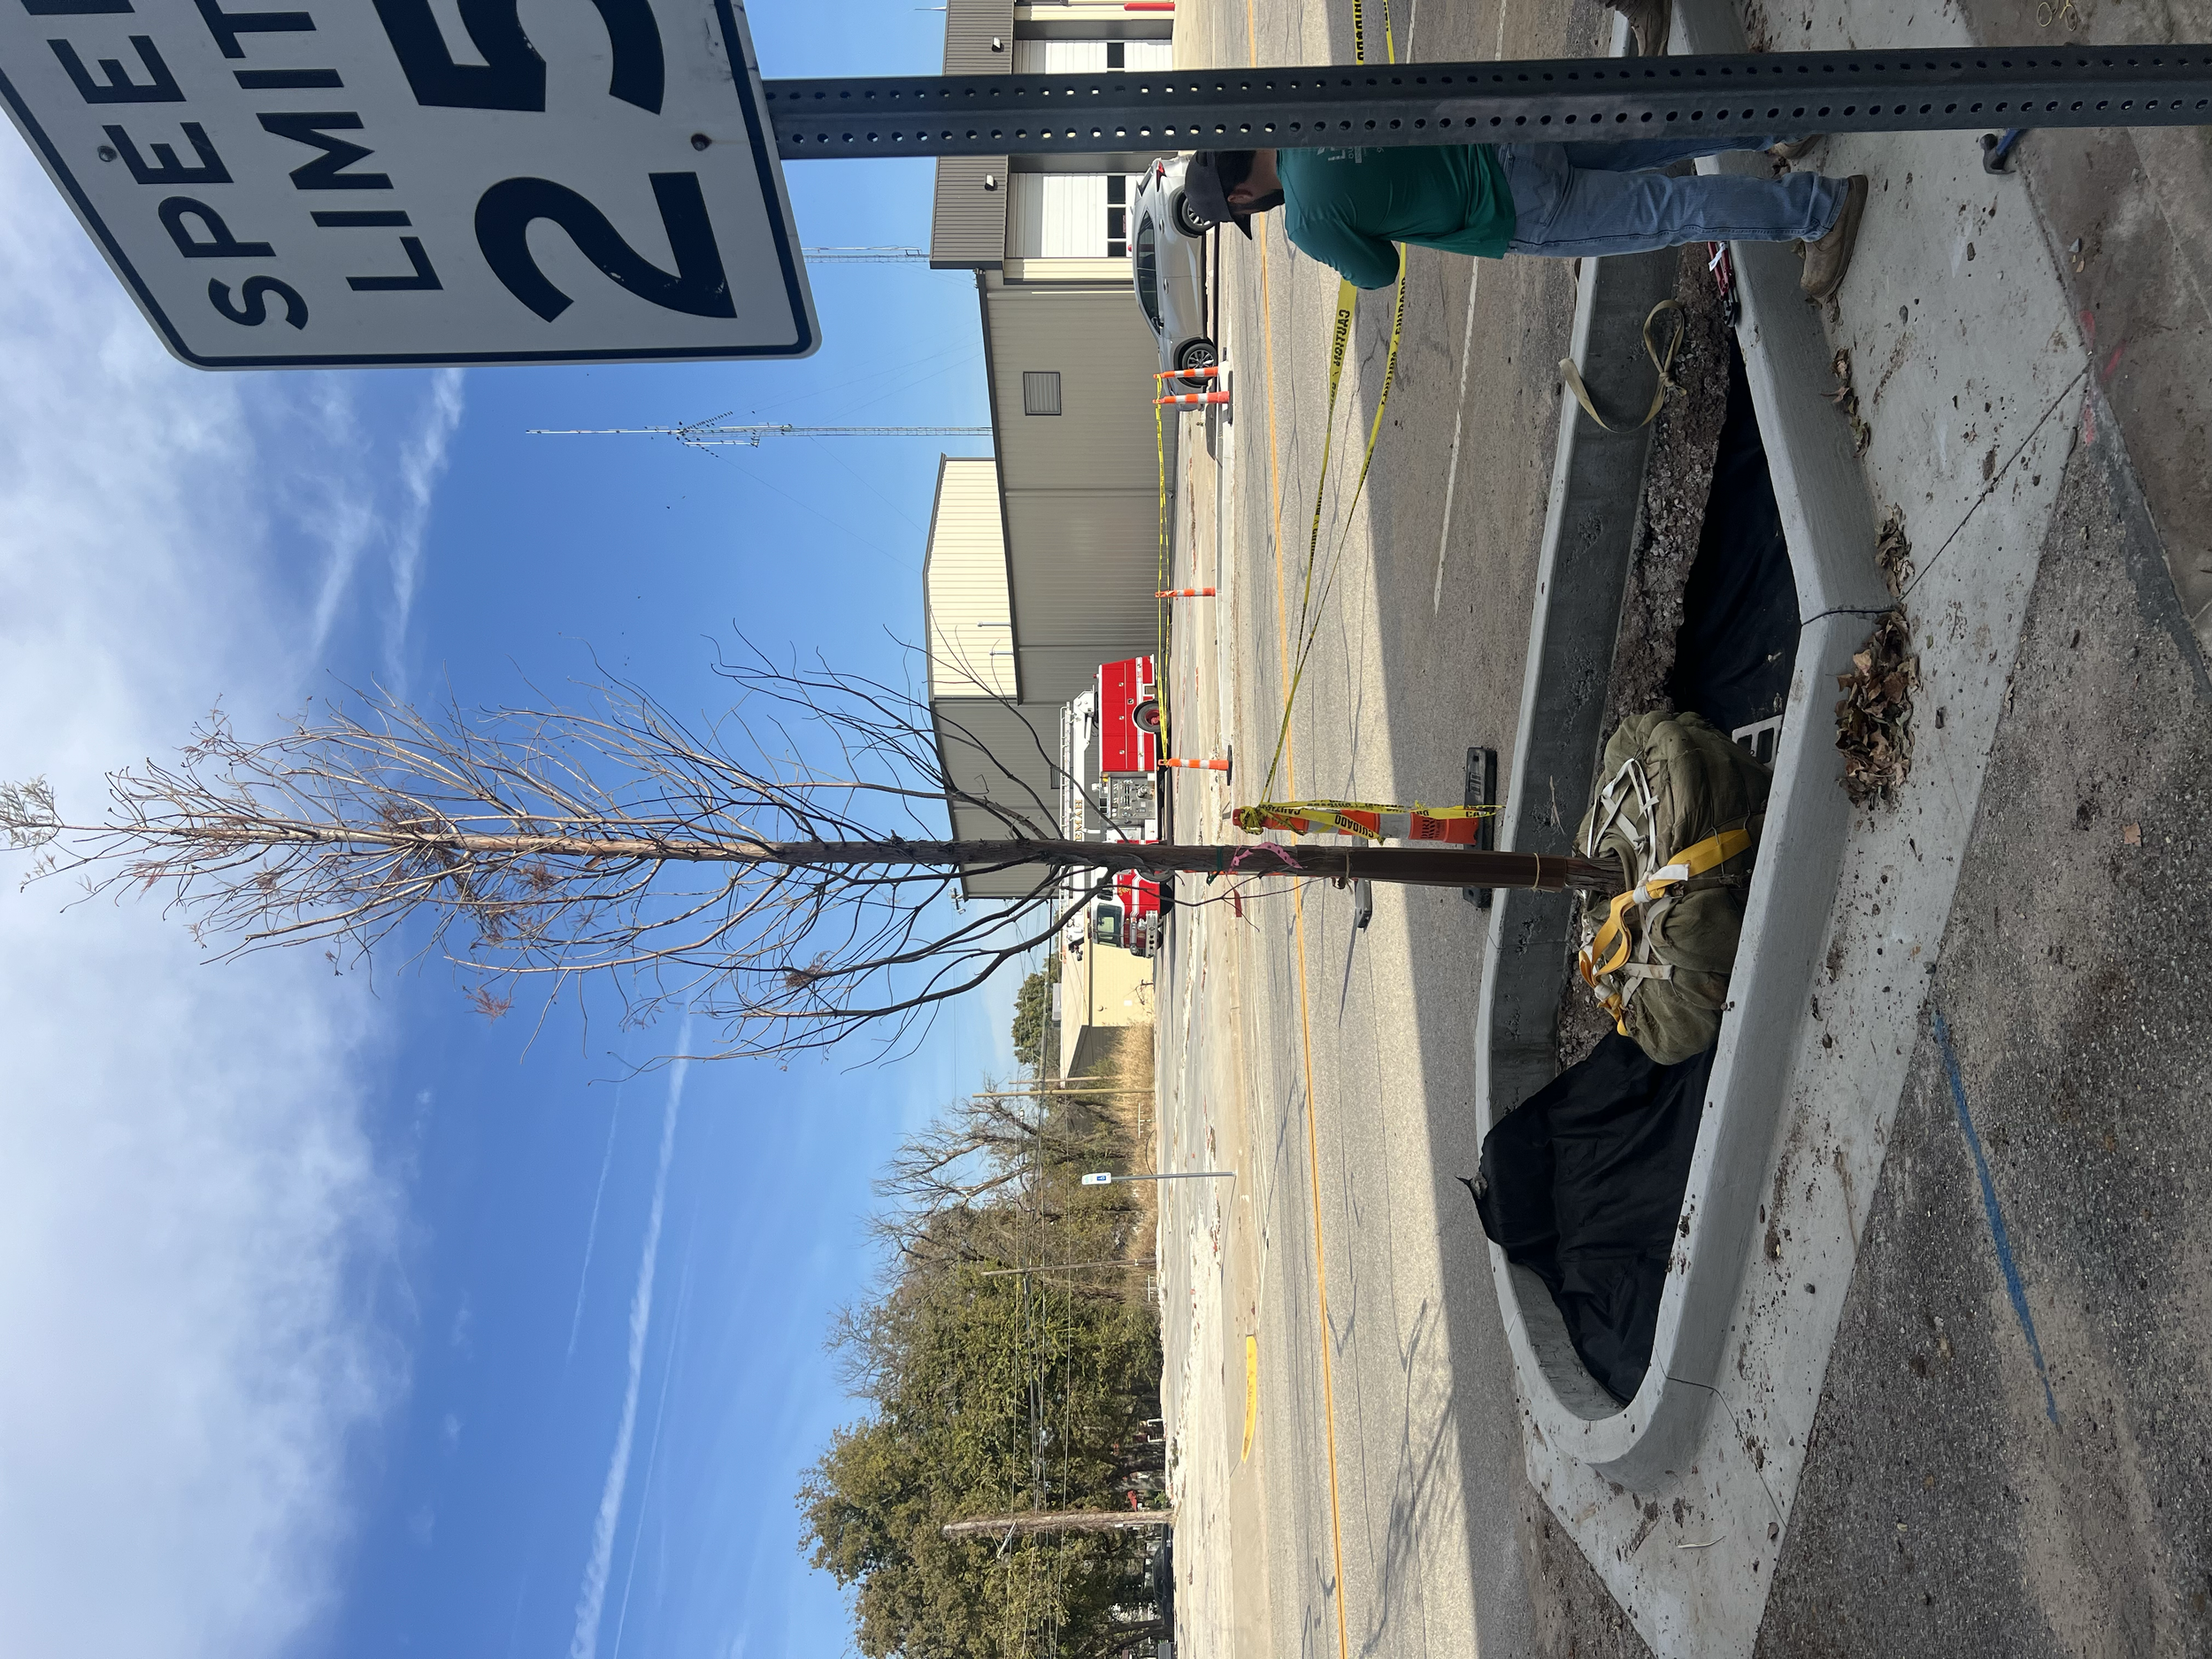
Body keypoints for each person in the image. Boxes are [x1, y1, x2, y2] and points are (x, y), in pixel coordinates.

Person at [1183, 141, 1867, 300]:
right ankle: (1788, 118)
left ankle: (1819, 210)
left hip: (1511, 208)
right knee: (1663, 129)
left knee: (1669, 210)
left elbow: (1379, 271)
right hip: (1509, 131)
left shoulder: (1305, 219)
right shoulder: (1313, 110)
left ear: (1241, 201)